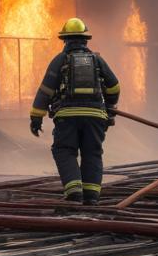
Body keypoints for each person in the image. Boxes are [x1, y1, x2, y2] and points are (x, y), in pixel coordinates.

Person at [29, 18, 120, 205]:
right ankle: (92, 196)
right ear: (85, 40)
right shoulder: (97, 60)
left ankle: (74, 192)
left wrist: (36, 118)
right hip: (95, 117)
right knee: (92, 153)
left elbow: (45, 90)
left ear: (66, 40)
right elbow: (114, 86)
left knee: (65, 151)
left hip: (67, 117)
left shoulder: (60, 60)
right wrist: (110, 109)